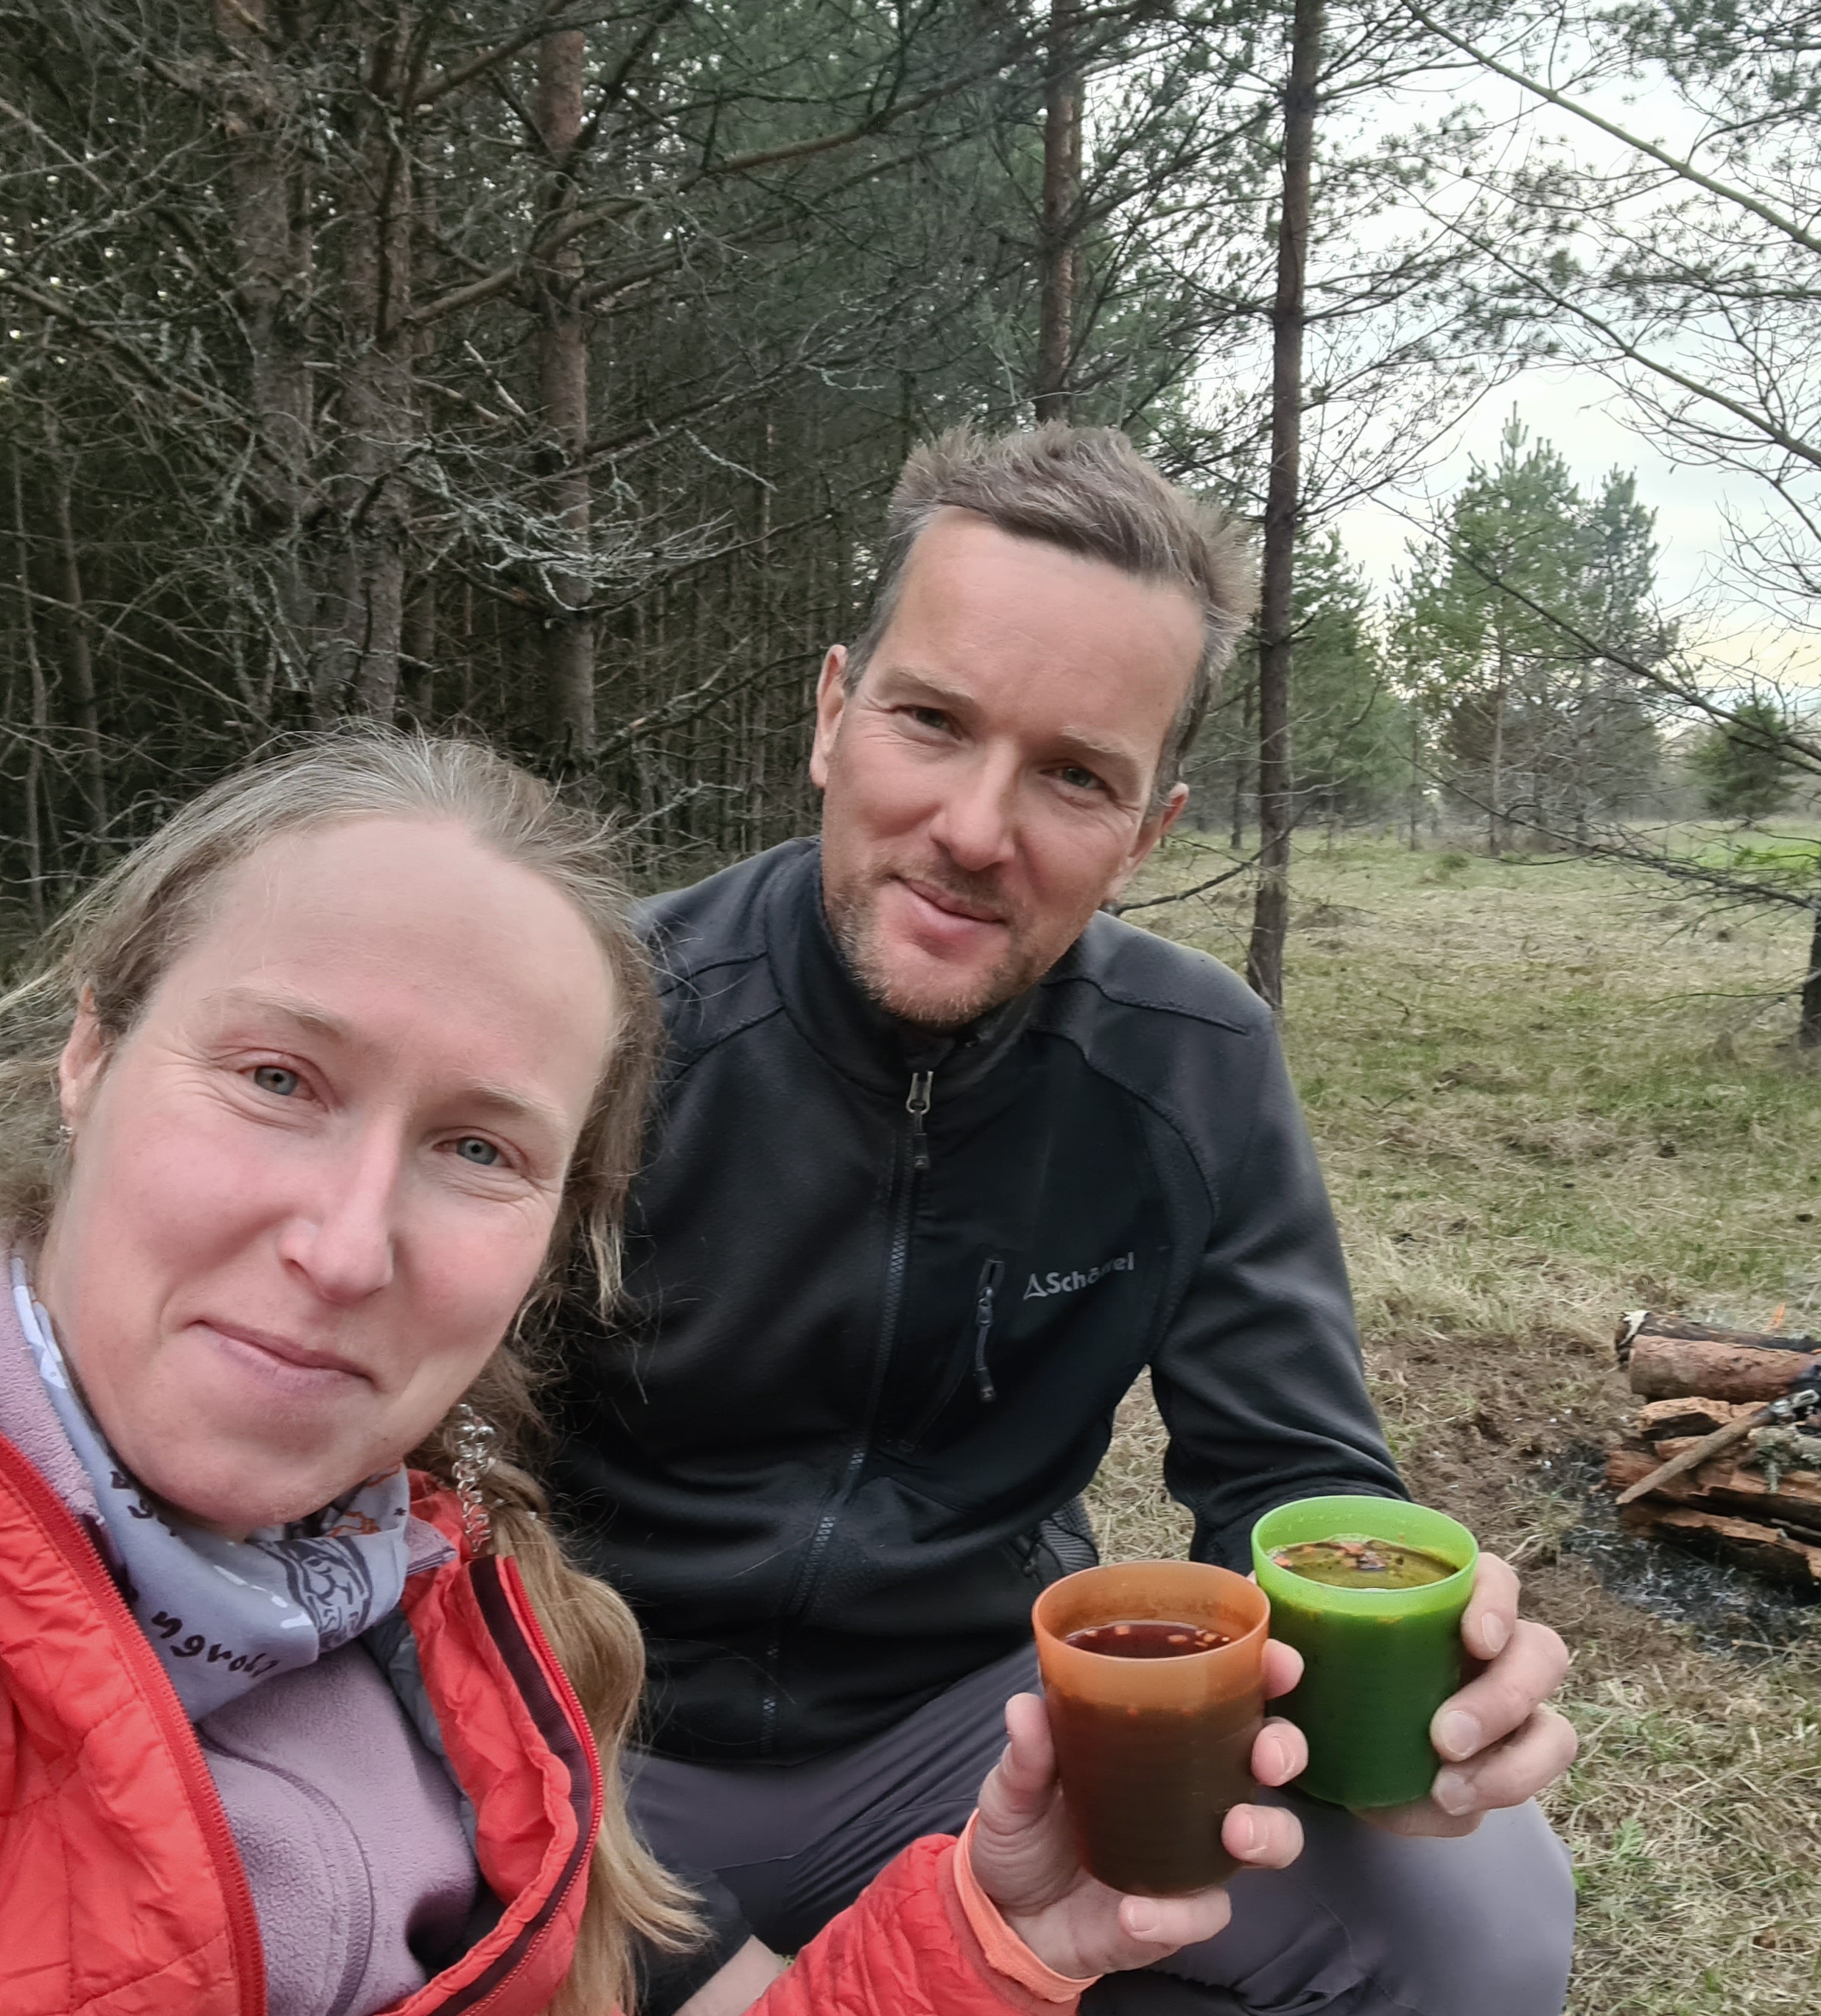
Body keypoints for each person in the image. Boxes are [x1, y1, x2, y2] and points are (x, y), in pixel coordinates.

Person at [0, 733, 1313, 2016]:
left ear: (566, 1228)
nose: (344, 1245)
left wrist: (992, 1939)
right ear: (90, 1052)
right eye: (278, 1080)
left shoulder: (479, 1654)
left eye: (479, 1149)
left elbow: (1295, 1453)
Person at [547, 428, 1582, 2016]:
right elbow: (404, 1481)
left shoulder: (1195, 1062)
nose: (976, 829)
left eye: (1076, 776)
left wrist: (1404, 1698)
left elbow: (1289, 1472)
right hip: (590, 1734)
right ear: (832, 715)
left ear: (1148, 832)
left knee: (1475, 1914)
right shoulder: (598, 1019)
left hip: (990, 1731)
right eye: (932, 721)